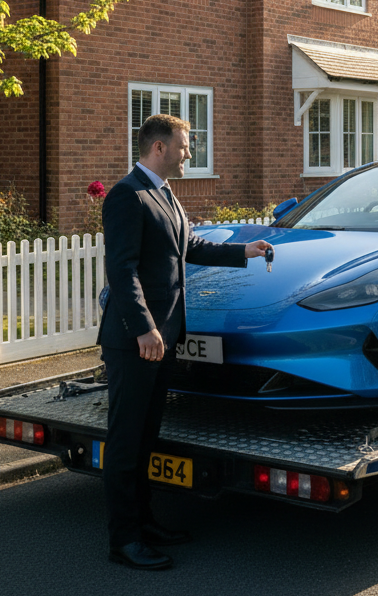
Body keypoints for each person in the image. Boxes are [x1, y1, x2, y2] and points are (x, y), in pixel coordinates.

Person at [98, 114, 272, 569]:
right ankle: (124, 540)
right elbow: (121, 270)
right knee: (125, 441)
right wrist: (144, 327)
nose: (189, 152)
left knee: (146, 438)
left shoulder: (166, 195)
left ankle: (145, 522)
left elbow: (190, 246)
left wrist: (245, 252)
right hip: (135, 341)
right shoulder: (127, 196)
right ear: (159, 147)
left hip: (163, 338)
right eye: (185, 144)